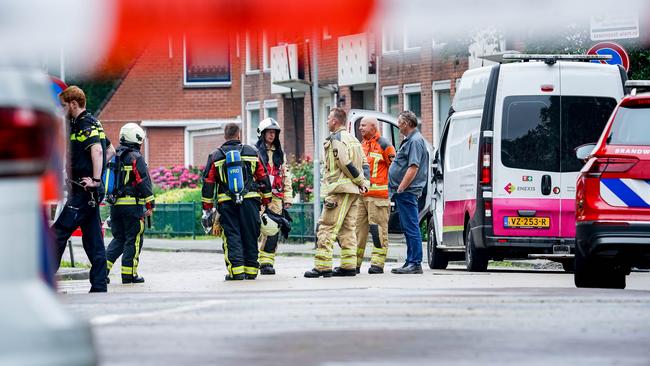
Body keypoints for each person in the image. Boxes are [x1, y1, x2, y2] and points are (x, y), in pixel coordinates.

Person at [52, 86, 115, 293]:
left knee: (57, 233)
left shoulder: (84, 124)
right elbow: (110, 150)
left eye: (63, 106)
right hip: (86, 192)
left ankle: (43, 280)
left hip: (84, 191)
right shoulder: (91, 122)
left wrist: (96, 179)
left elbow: (98, 150)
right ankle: (99, 285)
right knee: (93, 240)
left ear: (73, 104)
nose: (62, 110)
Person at [305, 107, 369, 278]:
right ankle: (348, 266)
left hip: (339, 191)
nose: (327, 122)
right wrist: (364, 183)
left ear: (334, 121)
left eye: (328, 119)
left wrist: (359, 181)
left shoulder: (336, 139)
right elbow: (365, 163)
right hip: (353, 192)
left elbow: (344, 162)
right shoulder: (354, 139)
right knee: (348, 229)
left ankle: (322, 267)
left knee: (326, 227)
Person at [201, 123, 271, 281]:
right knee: (251, 234)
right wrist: (266, 199)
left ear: (225, 136)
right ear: (239, 135)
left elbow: (208, 183)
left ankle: (237, 272)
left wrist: (207, 208)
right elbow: (263, 176)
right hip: (250, 201)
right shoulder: (252, 152)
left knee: (232, 235)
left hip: (227, 203)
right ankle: (252, 271)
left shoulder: (215, 156)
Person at [105, 123, 155, 284]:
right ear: (136, 138)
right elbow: (143, 182)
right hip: (132, 207)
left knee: (119, 239)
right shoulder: (135, 158)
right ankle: (129, 275)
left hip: (115, 206)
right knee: (133, 240)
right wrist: (150, 204)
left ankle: (101, 271)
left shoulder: (114, 155)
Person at [389, 111, 429, 274]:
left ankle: (415, 262)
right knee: (408, 226)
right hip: (404, 191)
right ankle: (410, 261)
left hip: (407, 191)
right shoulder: (412, 140)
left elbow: (413, 167)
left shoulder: (415, 141)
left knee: (411, 227)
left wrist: (401, 187)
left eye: (399, 123)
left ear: (406, 123)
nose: (398, 126)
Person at [355, 116, 396, 274]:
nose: (360, 128)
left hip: (378, 197)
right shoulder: (362, 145)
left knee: (378, 231)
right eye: (360, 126)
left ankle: (377, 264)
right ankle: (354, 263)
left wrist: (390, 191)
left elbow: (395, 168)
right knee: (358, 231)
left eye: (364, 125)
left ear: (373, 127)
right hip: (362, 196)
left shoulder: (385, 145)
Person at [255, 117, 293, 275]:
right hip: (259, 197)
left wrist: (288, 197)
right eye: (269, 132)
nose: (272, 135)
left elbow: (286, 175)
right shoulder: (255, 152)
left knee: (272, 230)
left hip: (276, 198)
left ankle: (266, 263)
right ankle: (253, 258)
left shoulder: (279, 154)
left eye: (274, 133)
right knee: (256, 229)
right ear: (262, 134)